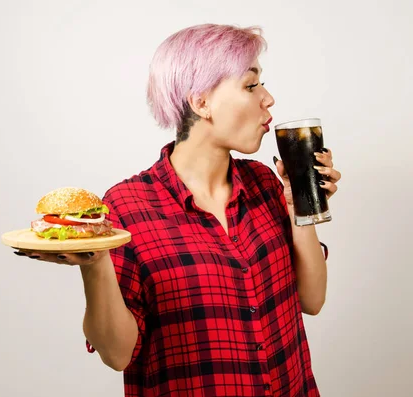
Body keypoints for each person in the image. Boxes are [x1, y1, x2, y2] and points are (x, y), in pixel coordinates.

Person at [18, 24, 341, 397]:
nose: (268, 99)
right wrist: (95, 262)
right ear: (201, 102)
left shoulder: (265, 184)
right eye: (251, 85)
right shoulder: (126, 208)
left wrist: (300, 203)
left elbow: (312, 300)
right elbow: (118, 354)